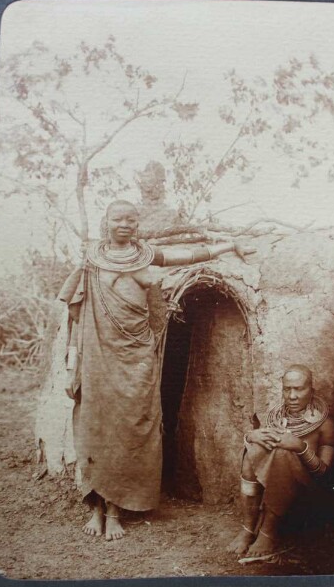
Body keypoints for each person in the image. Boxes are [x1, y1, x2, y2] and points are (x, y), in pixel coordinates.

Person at [58, 199, 254, 541]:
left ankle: (116, 509)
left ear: (137, 224)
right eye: (118, 218)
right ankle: (96, 507)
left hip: (136, 359)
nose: (125, 224)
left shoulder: (147, 257)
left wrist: (228, 246)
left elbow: (188, 257)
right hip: (96, 360)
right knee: (97, 425)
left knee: (131, 428)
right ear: (107, 222)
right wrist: (72, 366)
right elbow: (75, 320)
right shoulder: (90, 263)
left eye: (131, 219)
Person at [227, 364, 334, 561]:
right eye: (287, 389)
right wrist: (251, 437)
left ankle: (268, 532)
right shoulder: (274, 417)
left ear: (311, 391)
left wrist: (300, 448)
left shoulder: (326, 425)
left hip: (306, 496)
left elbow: (325, 475)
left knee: (282, 454)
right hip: (273, 487)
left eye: (299, 389)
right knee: (255, 448)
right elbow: (260, 455)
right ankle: (249, 528)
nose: (292, 396)